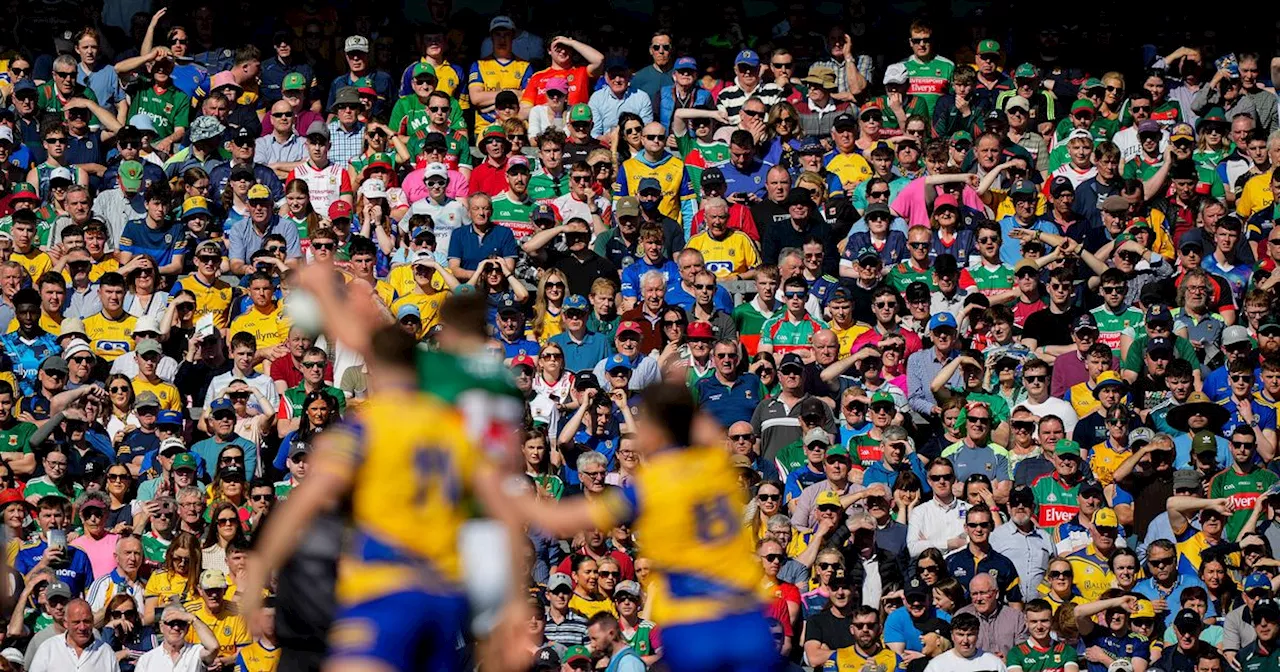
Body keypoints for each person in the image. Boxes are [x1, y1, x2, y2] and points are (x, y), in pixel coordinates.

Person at [29, 599, 116, 672]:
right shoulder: (48, 649)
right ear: (66, 623)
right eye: (76, 622)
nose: (82, 627)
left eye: (86, 621)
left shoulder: (106, 652)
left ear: (93, 621)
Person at [922, 612, 1006, 672]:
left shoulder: (994, 664)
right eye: (960, 635)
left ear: (977, 635)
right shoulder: (937, 665)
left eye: (970, 635)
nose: (965, 640)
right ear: (952, 635)